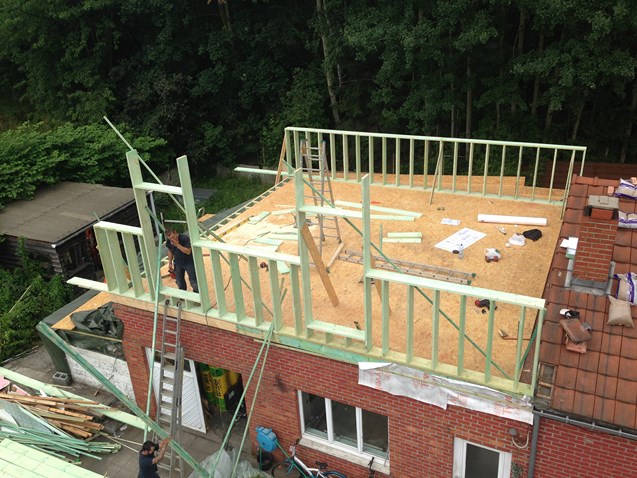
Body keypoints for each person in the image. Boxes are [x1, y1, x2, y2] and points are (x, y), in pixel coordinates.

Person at [165, 228, 198, 293]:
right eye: (170, 238)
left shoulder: (184, 238)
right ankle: (183, 294)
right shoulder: (169, 241)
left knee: (194, 281)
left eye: (173, 237)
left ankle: (197, 294)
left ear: (175, 232)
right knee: (179, 281)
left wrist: (177, 245)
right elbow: (170, 251)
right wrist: (170, 263)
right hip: (178, 263)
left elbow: (188, 251)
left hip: (189, 262)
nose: (172, 239)